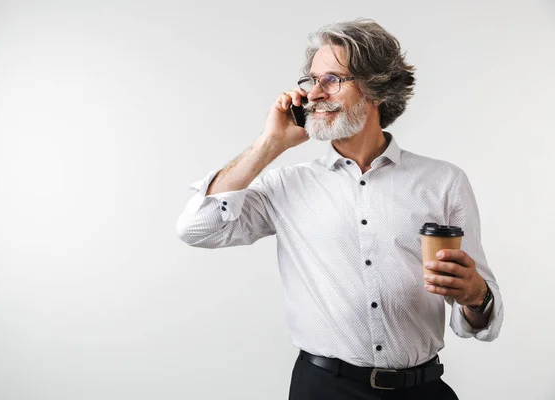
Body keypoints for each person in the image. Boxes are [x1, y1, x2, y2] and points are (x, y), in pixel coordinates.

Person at [176, 18, 503, 400]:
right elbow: (197, 228)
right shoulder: (286, 185)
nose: (314, 94)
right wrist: (270, 144)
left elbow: (480, 317)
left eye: (331, 80)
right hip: (323, 390)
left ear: (377, 88)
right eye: (311, 80)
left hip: (423, 391)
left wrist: (477, 296)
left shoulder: (443, 181)